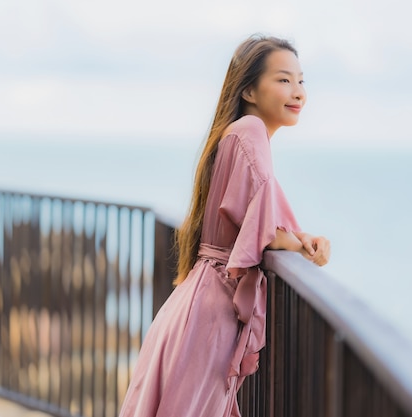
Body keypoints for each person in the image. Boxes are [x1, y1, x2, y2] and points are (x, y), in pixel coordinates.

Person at [119, 35, 331, 417]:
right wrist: (297, 244)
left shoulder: (238, 134)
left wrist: (300, 238)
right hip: (210, 317)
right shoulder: (250, 131)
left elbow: (255, 219)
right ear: (248, 89)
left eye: (301, 81)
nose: (297, 91)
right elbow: (260, 231)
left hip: (198, 306)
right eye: (283, 80)